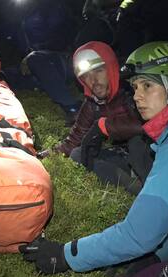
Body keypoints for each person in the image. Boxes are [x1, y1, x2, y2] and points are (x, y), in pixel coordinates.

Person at [20, 41, 168, 277]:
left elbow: (138, 234)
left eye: (147, 86)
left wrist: (65, 255)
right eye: (135, 87)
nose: (138, 96)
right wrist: (156, 256)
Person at [44, 41, 152, 194]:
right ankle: (132, 184)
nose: (93, 81)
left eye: (98, 71)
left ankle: (150, 185)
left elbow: (147, 124)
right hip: (124, 156)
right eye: (86, 76)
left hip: (151, 153)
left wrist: (104, 127)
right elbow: (74, 139)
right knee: (77, 153)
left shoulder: (131, 89)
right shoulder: (92, 103)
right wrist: (42, 156)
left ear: (111, 69)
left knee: (137, 142)